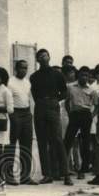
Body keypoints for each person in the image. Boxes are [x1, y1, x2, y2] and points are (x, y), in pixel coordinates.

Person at [30, 49, 72, 186]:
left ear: (49, 57)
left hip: (53, 106)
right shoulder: (34, 77)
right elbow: (35, 94)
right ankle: (47, 174)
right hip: (40, 107)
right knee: (42, 141)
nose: (43, 57)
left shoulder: (57, 74)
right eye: (40, 56)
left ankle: (66, 174)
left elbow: (64, 93)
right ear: (37, 60)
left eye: (45, 55)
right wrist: (42, 102)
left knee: (58, 140)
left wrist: (53, 100)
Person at [63, 66, 96, 180]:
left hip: (86, 115)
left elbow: (96, 105)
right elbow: (67, 102)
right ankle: (65, 168)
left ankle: (83, 169)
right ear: (78, 76)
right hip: (74, 115)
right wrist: (69, 113)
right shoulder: (71, 88)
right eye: (82, 75)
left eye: (86, 75)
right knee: (68, 140)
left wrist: (92, 115)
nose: (84, 77)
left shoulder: (92, 90)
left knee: (85, 142)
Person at [5, 59, 35, 184]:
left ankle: (25, 176)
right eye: (21, 68)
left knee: (26, 145)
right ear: (16, 69)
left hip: (26, 114)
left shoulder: (28, 83)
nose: (24, 70)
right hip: (14, 114)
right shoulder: (10, 82)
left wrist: (30, 114)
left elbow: (28, 99)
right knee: (11, 145)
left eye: (25, 68)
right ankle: (9, 175)